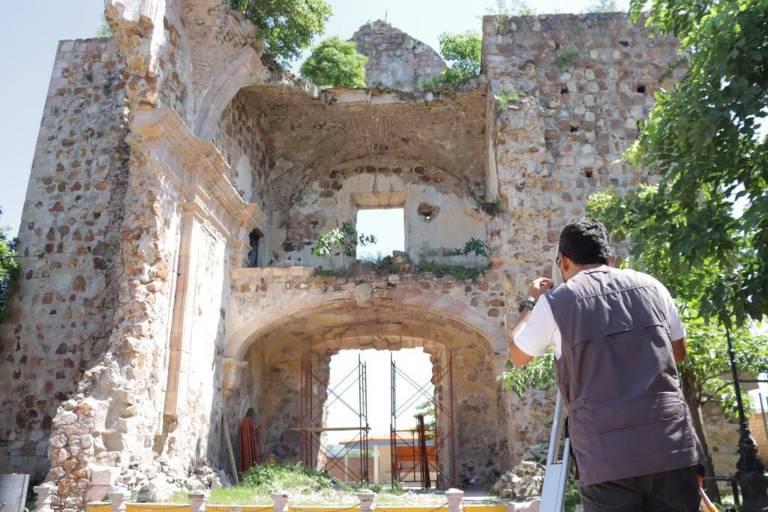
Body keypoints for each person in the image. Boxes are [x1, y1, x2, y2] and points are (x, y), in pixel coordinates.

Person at [509, 218, 705, 512]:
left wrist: (530, 301)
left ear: (563, 261)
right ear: (609, 258)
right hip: (671, 446)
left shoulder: (556, 302)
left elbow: (518, 354)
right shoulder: (652, 286)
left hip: (606, 457)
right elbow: (677, 353)